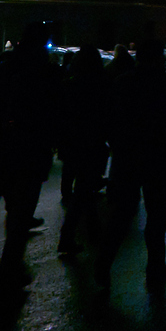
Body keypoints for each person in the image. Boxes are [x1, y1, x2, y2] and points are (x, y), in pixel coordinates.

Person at [0, 24, 59, 291]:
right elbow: (50, 112)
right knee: (21, 212)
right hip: (30, 149)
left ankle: (11, 267)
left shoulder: (5, 66)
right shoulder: (42, 72)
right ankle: (10, 271)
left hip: (5, 148)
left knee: (15, 209)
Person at [102, 41, 166, 284]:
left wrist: (117, 147)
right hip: (155, 159)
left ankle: (103, 265)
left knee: (121, 215)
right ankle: (155, 267)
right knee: (156, 217)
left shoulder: (123, 83)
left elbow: (110, 121)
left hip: (126, 158)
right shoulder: (165, 86)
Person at [57, 44, 111, 256]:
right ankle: (71, 235)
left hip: (73, 144)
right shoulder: (101, 85)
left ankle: (88, 231)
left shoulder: (69, 85)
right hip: (93, 143)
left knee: (83, 189)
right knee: (85, 189)